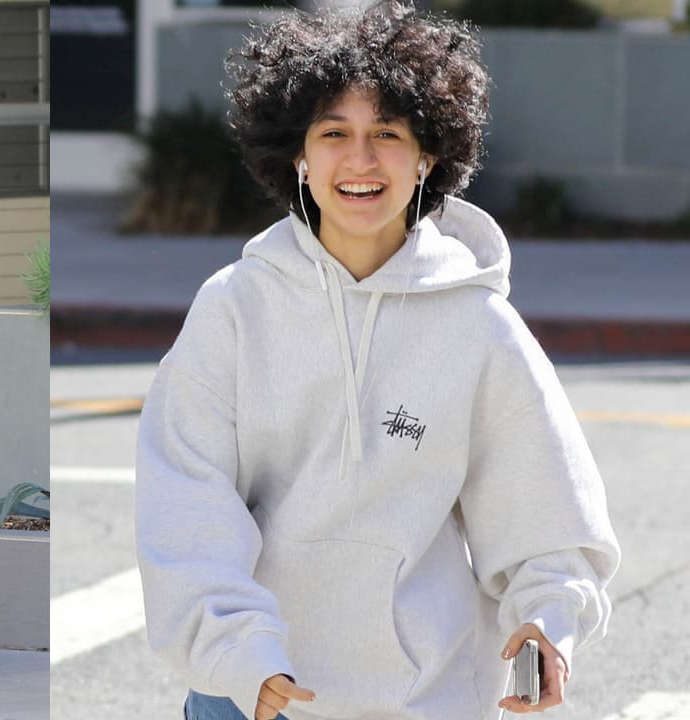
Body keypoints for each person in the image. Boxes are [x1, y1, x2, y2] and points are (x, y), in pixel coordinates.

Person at [134, 3, 620, 720]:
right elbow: (185, 501)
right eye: (334, 133)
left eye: (387, 134)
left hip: (425, 701)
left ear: (428, 157)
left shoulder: (480, 327)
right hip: (251, 695)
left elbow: (547, 511)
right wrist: (237, 651)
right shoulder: (235, 308)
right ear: (298, 153)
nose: (360, 162)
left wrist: (548, 618)